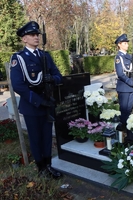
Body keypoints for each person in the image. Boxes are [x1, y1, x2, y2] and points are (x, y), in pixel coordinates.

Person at [10, 21, 63, 179]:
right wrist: (38, 101)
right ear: (24, 39)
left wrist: (51, 79)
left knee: (47, 137)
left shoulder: (45, 56)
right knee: (36, 138)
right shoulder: (18, 58)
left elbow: (59, 76)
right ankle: (41, 168)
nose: (36, 37)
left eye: (37, 35)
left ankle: (48, 166)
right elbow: (18, 85)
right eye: (32, 35)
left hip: (48, 102)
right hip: (32, 106)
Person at [114, 34, 133, 140]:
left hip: (131, 86)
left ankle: (128, 133)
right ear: (119, 45)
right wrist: (130, 82)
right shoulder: (119, 58)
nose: (127, 45)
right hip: (124, 87)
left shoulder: (129, 56)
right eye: (125, 43)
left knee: (129, 110)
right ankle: (123, 133)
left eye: (127, 43)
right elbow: (120, 74)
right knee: (124, 111)